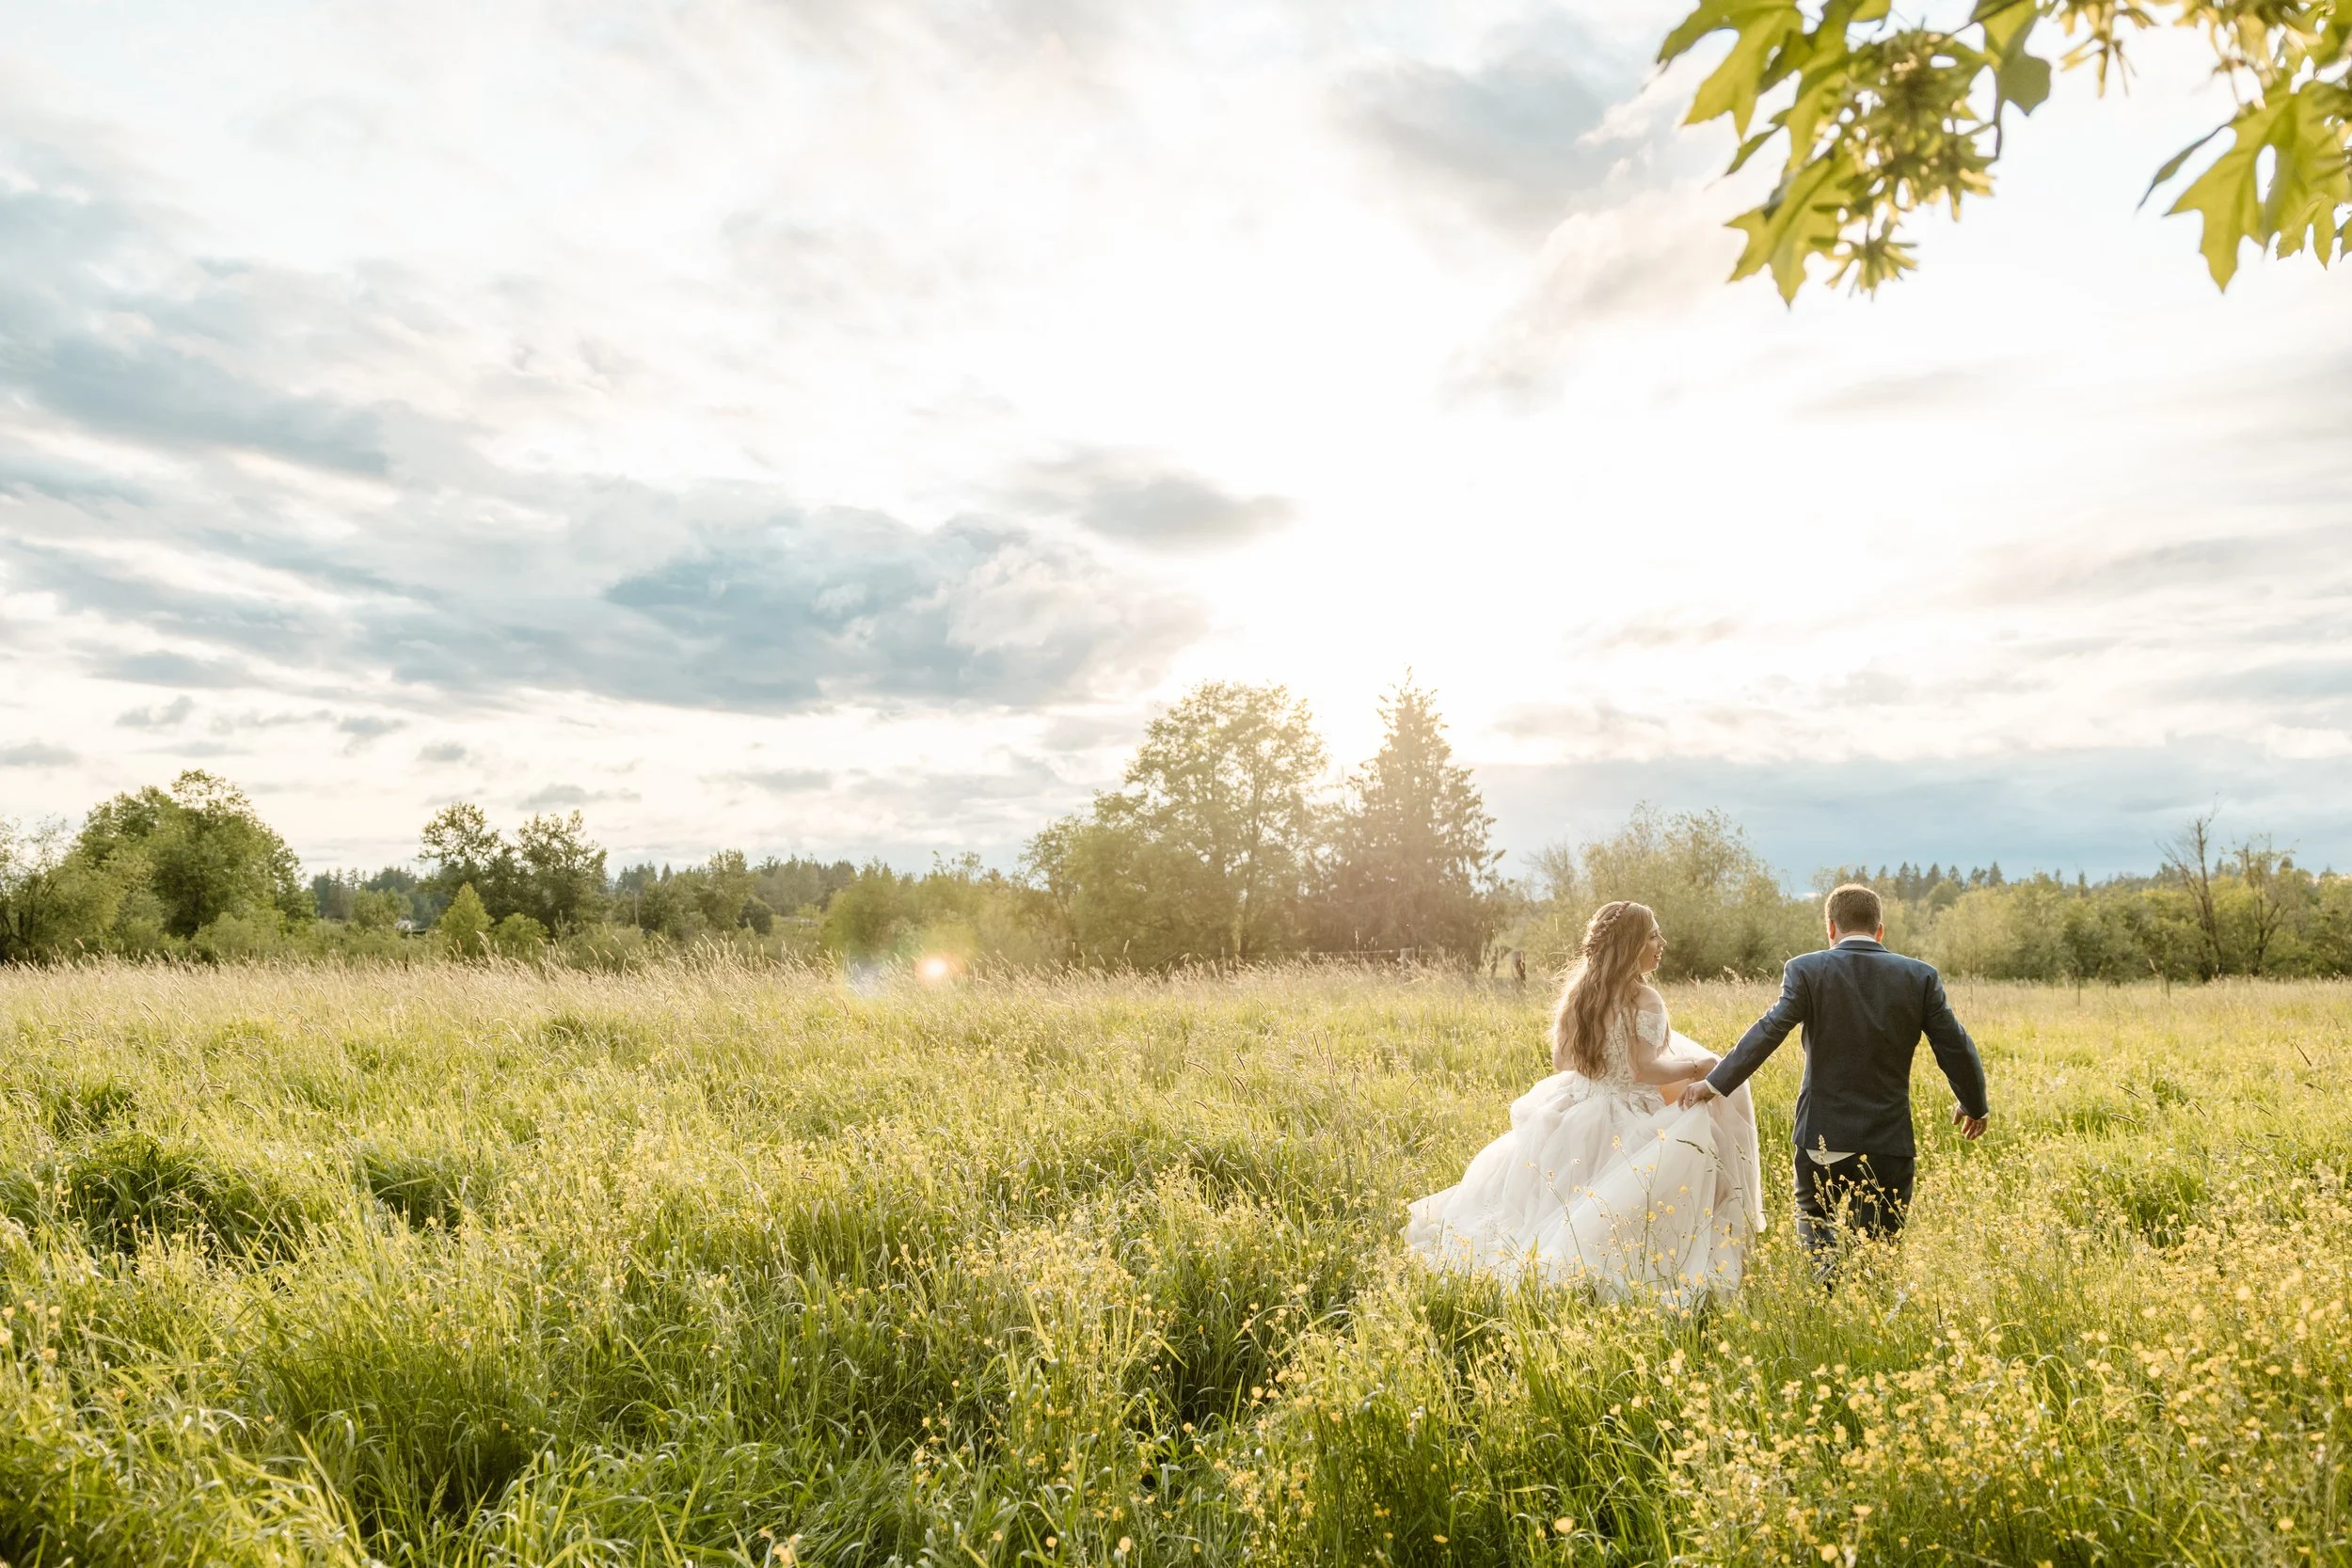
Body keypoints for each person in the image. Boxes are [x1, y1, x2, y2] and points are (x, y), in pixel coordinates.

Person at [1406, 900, 1764, 1305]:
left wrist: (1601, 1066)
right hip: (1628, 1111)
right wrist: (1702, 1064)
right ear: (1630, 945)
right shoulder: (1645, 999)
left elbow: (1562, 1060)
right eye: (1652, 936)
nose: (1661, 943)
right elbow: (1644, 1070)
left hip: (1578, 1106)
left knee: (1567, 1197)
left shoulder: (1580, 992)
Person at [1680, 882, 1989, 1280]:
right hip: (1888, 1141)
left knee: (1817, 1234)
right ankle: (1870, 1322)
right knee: (1878, 1260)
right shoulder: (1920, 976)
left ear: (1831, 928)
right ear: (1880, 930)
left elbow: (1769, 1030)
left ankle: (1824, 1306)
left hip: (1822, 1137)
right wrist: (1974, 1104)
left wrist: (1714, 1083)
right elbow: (1955, 1045)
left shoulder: (1807, 969)